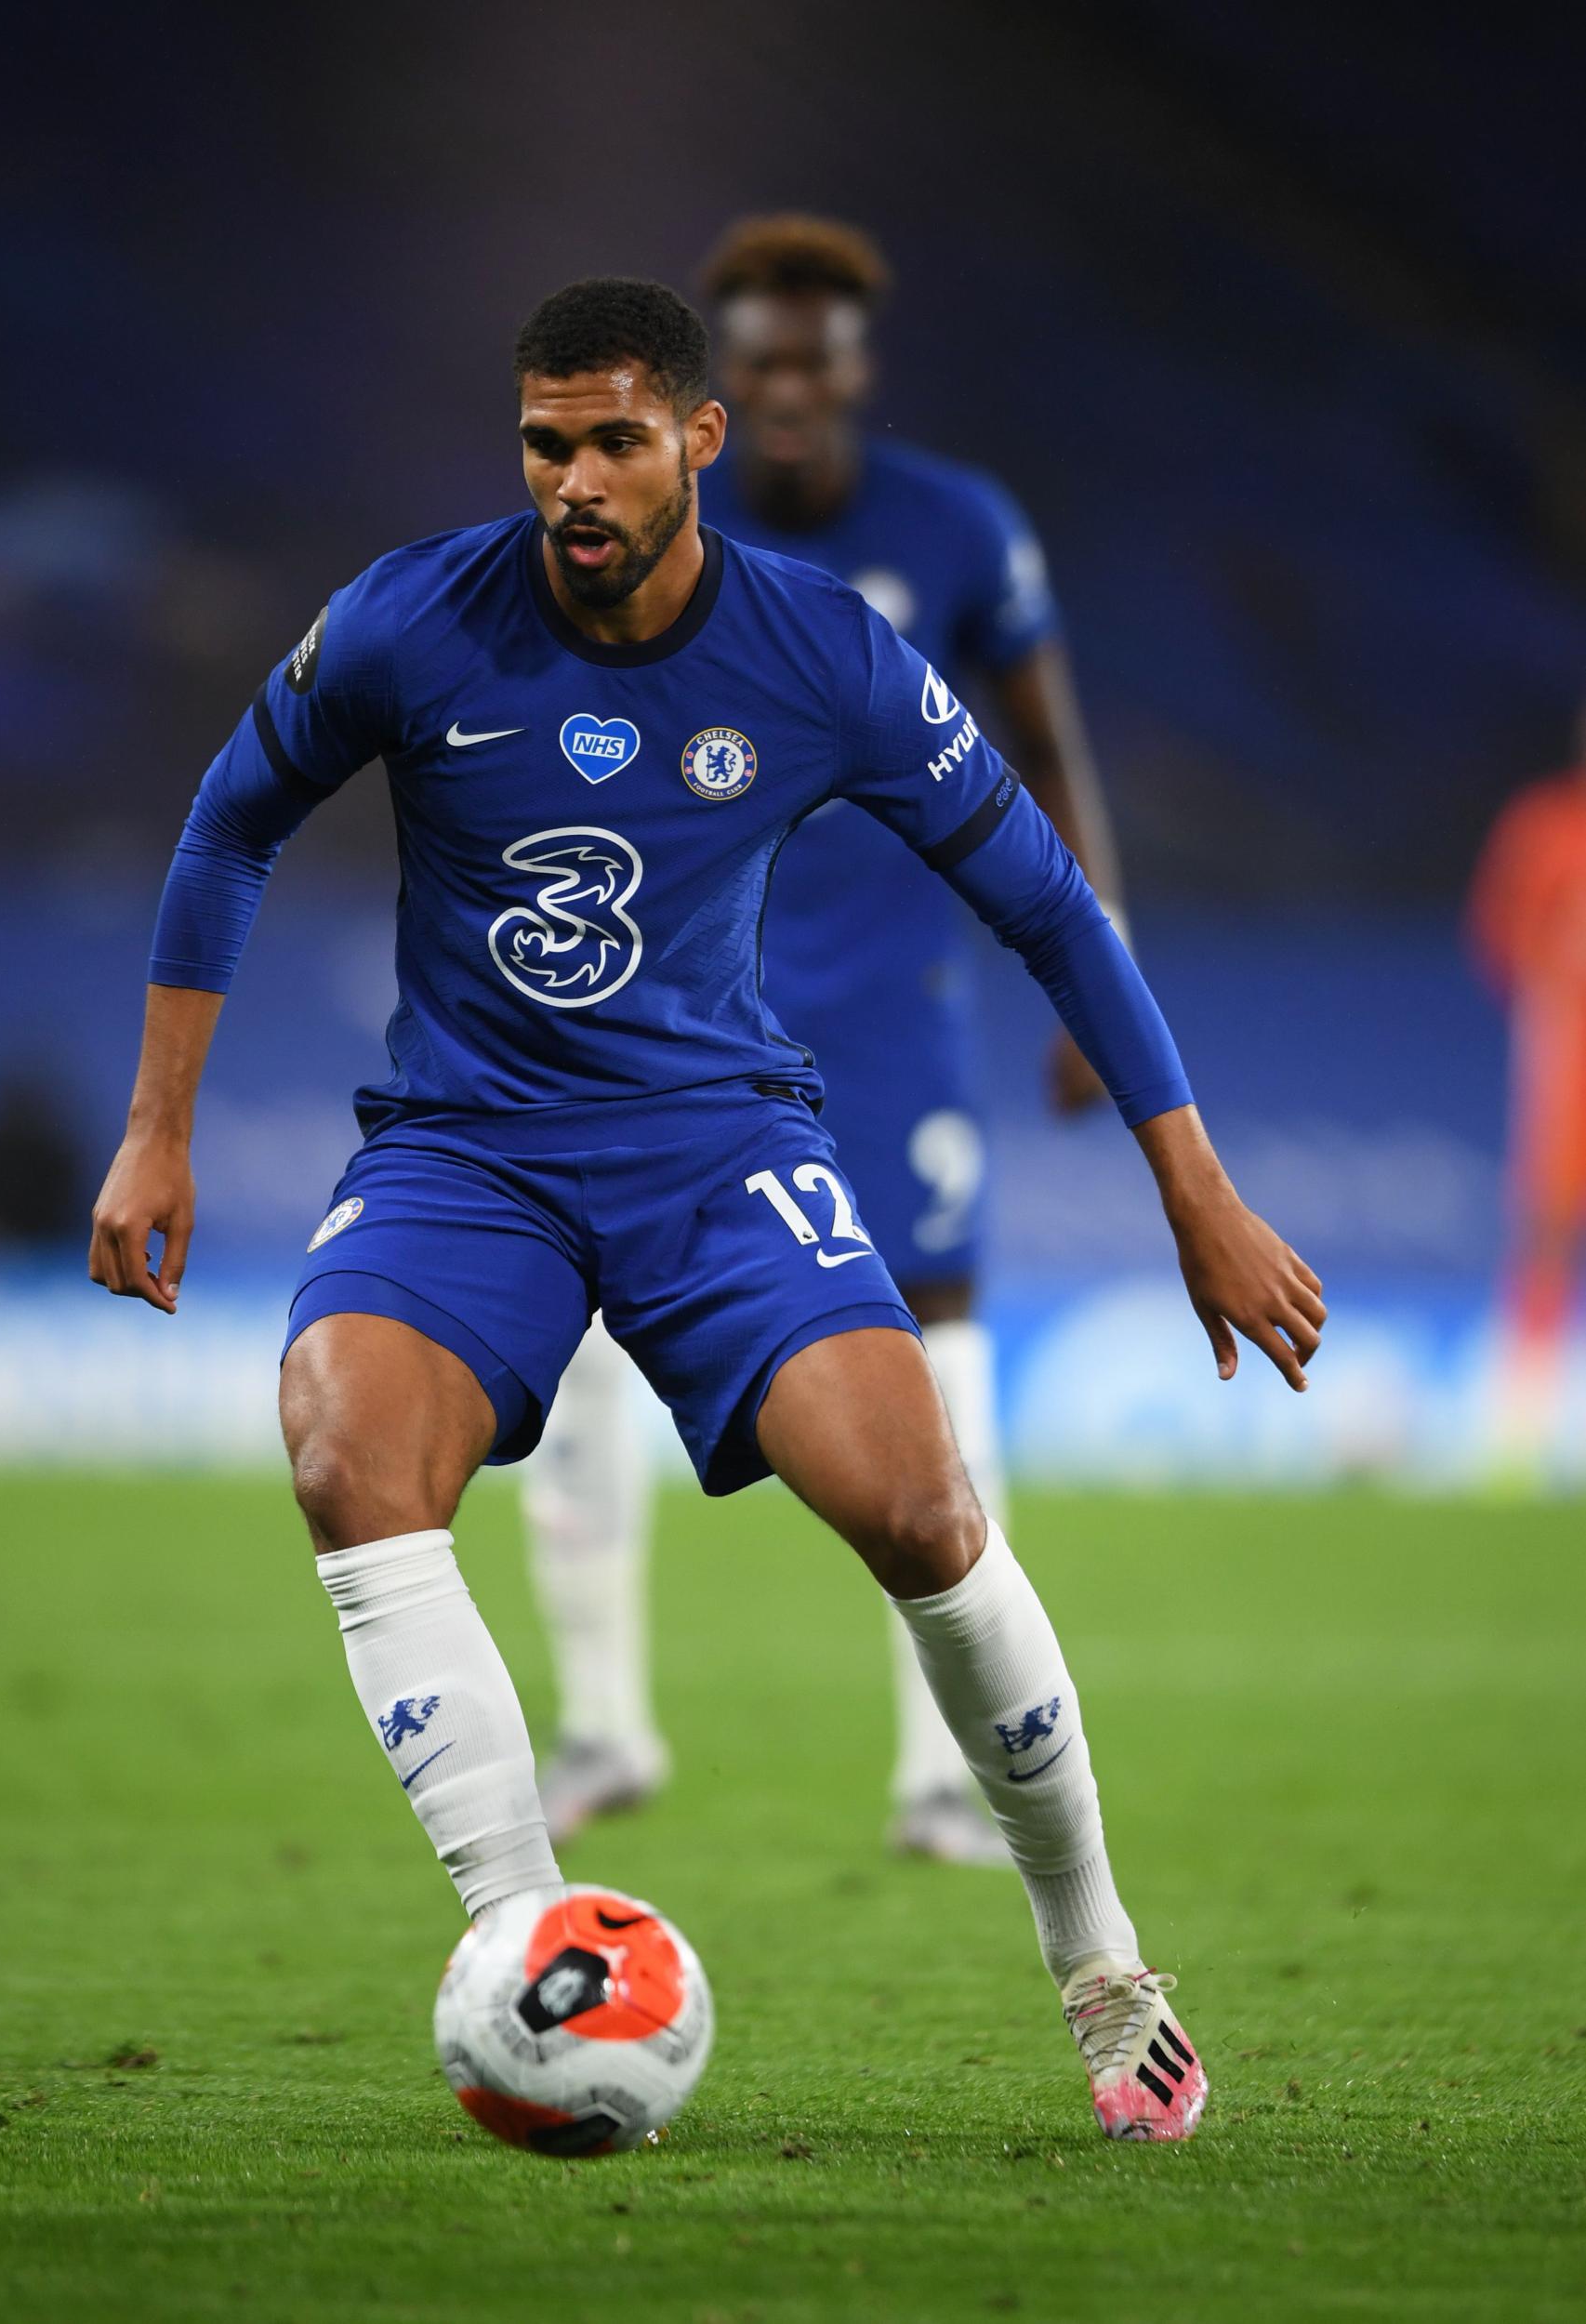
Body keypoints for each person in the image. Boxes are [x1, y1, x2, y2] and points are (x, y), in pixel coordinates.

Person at [88, 276, 1325, 2141]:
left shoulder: (821, 652)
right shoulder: (413, 614)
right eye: (544, 444)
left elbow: (1053, 903)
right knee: (348, 1450)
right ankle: (527, 1943)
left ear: (695, 441)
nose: (573, 481)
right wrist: (156, 1126)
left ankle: (1100, 1958)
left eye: (611, 442)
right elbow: (229, 818)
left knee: (918, 1502)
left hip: (712, 1145)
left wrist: (1198, 1194)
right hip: (466, 1148)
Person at [525, 216, 1127, 1866]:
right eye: (763, 362)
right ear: (714, 393)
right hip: (669, 1012)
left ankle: (947, 1771)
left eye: (820, 360)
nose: (793, 389)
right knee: (576, 1326)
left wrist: (1101, 966)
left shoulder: (955, 530)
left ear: (858, 370)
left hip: (886, 1013)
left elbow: (1047, 750)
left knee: (930, 1352)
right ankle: (597, 1727)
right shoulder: (637, 542)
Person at [1465, 729, 1586, 1474]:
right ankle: (1521, 1433)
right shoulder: (1543, 825)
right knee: (1544, 1225)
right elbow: (1499, 937)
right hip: (1564, 1043)